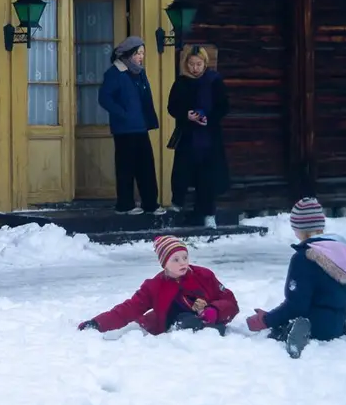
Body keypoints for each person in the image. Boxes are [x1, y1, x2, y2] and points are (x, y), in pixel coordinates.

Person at [246, 197, 346, 358]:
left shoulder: (304, 258)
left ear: (299, 227)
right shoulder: (343, 254)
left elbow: (296, 305)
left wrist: (267, 320)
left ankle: (300, 328)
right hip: (337, 322)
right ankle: (345, 327)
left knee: (280, 330)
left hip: (314, 326)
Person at [78, 235, 239, 335]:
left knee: (203, 325)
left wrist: (214, 310)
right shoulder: (154, 286)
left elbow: (231, 302)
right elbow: (129, 309)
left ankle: (207, 329)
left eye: (185, 257)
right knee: (186, 321)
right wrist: (98, 323)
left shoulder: (204, 275)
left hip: (207, 321)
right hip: (175, 327)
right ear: (165, 264)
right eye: (175, 259)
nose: (183, 263)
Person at [167, 45, 231, 230]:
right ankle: (179, 207)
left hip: (208, 137)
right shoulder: (181, 82)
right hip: (187, 136)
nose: (195, 68)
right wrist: (186, 114)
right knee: (182, 174)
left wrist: (208, 118)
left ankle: (209, 214)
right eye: (192, 64)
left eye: (199, 64)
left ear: (205, 63)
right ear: (187, 64)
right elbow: (172, 106)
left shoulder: (214, 81)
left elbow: (223, 106)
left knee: (207, 178)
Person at [98, 35, 160, 214]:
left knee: (146, 167)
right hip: (124, 129)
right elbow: (104, 98)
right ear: (128, 54)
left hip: (140, 127)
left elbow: (145, 98)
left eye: (142, 53)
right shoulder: (115, 73)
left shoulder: (139, 72)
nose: (141, 57)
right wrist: (123, 114)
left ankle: (150, 204)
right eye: (138, 53)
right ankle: (125, 205)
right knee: (126, 168)